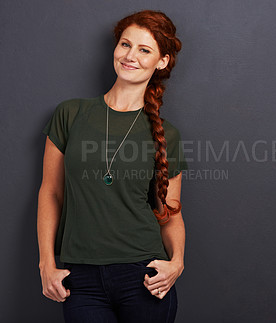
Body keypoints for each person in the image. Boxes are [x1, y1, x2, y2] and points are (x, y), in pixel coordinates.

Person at [37, 9, 188, 323]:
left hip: (144, 277)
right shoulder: (71, 114)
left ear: (161, 61)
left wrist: (177, 263)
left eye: (144, 50)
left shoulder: (166, 134)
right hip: (80, 277)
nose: (130, 55)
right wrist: (46, 263)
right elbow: (51, 192)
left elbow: (170, 211)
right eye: (125, 45)